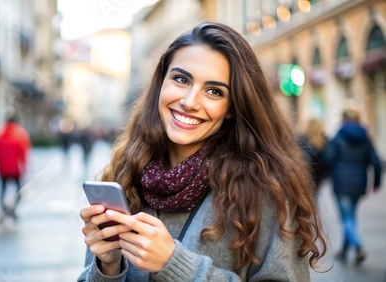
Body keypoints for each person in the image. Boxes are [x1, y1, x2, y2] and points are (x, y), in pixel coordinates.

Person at [78, 22, 327, 281]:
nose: (189, 102)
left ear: (232, 106)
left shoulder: (265, 188)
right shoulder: (124, 173)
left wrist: (175, 265)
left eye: (214, 91)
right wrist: (107, 266)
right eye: (181, 79)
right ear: (161, 83)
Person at [322, 108, 382, 266]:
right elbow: (376, 162)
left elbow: (327, 157)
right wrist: (376, 183)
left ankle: (358, 246)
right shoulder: (366, 137)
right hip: (359, 184)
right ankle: (344, 250)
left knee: (346, 218)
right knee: (350, 217)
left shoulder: (339, 136)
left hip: (341, 184)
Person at [0, 114, 31, 221]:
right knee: (18, 190)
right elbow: (24, 152)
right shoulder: (20, 134)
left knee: (2, 189)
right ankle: (13, 209)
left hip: (2, 169)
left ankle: (3, 210)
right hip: (15, 169)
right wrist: (24, 167)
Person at [299, 118, 328, 196]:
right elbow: (327, 160)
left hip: (304, 176)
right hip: (318, 177)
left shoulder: (301, 140)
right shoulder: (324, 142)